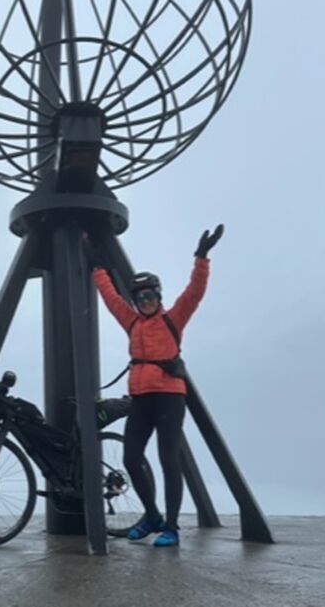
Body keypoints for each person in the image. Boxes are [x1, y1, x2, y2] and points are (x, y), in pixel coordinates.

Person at [92, 225, 224, 547]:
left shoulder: (173, 319)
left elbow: (194, 293)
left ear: (158, 298)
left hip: (169, 397)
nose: (145, 301)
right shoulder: (132, 321)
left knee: (168, 460)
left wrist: (201, 258)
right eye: (140, 297)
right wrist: (97, 268)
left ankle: (172, 528)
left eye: (150, 296)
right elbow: (110, 299)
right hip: (140, 397)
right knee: (131, 458)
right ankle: (152, 516)